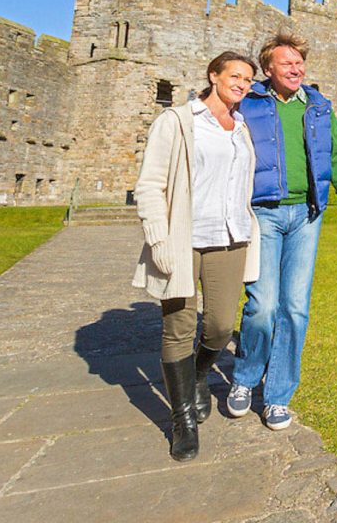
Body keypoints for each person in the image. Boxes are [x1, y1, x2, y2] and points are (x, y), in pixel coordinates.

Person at [227, 31, 337, 431]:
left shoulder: (319, 105)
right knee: (262, 306)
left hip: (307, 215)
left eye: (300, 63)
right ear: (268, 69)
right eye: (288, 63)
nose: (296, 69)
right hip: (264, 213)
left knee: (295, 308)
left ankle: (278, 395)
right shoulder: (248, 103)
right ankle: (246, 378)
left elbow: (336, 153)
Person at [133, 51, 261, 461]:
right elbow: (150, 183)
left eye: (248, 80)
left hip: (230, 237)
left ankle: (199, 375)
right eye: (235, 76)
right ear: (214, 75)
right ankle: (182, 419)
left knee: (222, 327)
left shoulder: (241, 127)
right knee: (178, 328)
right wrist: (158, 238)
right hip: (183, 238)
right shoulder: (178, 121)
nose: (241, 84)